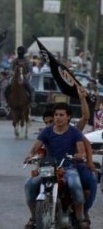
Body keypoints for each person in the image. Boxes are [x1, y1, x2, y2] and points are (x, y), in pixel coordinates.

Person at [23, 103, 89, 229]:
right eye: (56, 115)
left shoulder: (74, 132)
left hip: (68, 168)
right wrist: (30, 155)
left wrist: (79, 155)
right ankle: (33, 217)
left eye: (61, 115)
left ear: (68, 117)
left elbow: (82, 151)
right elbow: (35, 147)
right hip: (48, 168)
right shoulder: (46, 131)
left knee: (75, 185)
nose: (58, 117)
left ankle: (80, 217)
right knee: (30, 184)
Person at [39, 87, 98, 223]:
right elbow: (38, 152)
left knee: (90, 182)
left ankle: (84, 212)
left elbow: (85, 117)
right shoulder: (46, 134)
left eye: (53, 120)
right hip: (51, 168)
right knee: (34, 183)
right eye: (47, 122)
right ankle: (35, 215)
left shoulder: (74, 131)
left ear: (65, 117)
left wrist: (82, 98)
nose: (52, 123)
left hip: (74, 166)